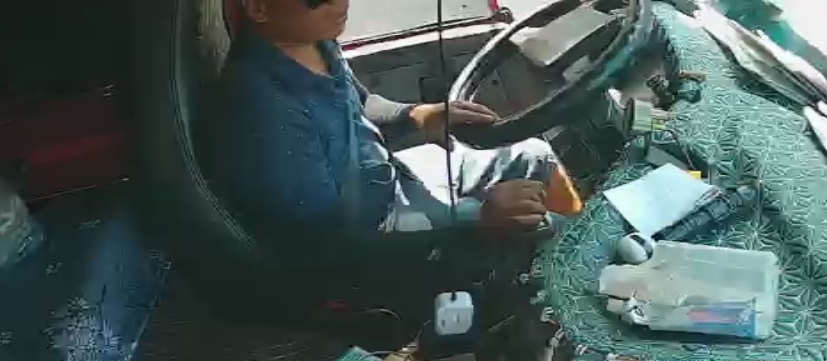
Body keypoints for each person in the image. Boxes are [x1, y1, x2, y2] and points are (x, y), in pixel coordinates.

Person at [208, 0, 583, 318]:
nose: (341, 2)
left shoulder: (311, 40)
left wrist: (417, 115)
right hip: (374, 239)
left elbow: (360, 103)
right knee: (545, 230)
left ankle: (578, 238)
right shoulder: (266, 112)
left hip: (391, 179)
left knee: (533, 154)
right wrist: (480, 225)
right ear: (258, 8)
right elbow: (329, 250)